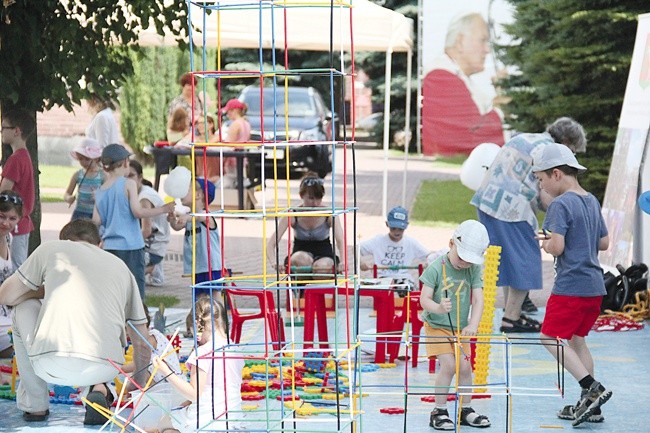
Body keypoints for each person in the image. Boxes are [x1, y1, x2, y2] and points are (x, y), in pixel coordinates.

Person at [0, 220, 152, 424]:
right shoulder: (121, 267)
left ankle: (35, 405)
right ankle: (99, 389)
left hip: (50, 362)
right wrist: (139, 382)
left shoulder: (52, 250)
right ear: (100, 245)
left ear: (63, 241)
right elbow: (142, 341)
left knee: (23, 308)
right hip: (105, 366)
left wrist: (42, 290)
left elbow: (6, 296)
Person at [470, 117, 587, 333]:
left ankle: (510, 313)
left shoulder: (526, 137)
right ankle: (511, 318)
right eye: (573, 150)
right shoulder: (549, 151)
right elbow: (545, 195)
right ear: (567, 140)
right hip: (510, 208)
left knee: (507, 259)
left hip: (487, 200)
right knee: (526, 258)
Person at [532, 143, 611, 427]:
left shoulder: (560, 204)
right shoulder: (590, 200)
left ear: (556, 174)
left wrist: (547, 243)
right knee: (577, 341)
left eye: (540, 179)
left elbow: (558, 247)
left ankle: (592, 388)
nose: (540, 186)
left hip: (570, 287)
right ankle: (591, 405)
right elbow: (603, 242)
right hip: (594, 288)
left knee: (550, 338)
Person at [419, 220, 491, 430]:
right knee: (449, 365)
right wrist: (439, 308)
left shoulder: (473, 269)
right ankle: (439, 411)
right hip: (436, 326)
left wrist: (473, 324)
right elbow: (424, 300)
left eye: (470, 261)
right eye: (462, 258)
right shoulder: (436, 267)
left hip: (460, 329)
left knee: (466, 366)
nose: (464, 264)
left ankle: (465, 409)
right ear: (451, 243)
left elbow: (478, 300)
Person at [93, 144, 175, 299]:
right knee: (135, 290)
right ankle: (139, 320)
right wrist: (163, 209)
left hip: (110, 247)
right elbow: (138, 212)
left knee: (115, 290)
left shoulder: (99, 191)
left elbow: (96, 220)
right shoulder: (128, 184)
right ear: (125, 162)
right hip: (132, 246)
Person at [152, 296, 244, 433]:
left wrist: (166, 371)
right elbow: (217, 388)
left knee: (164, 422)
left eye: (191, 331)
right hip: (233, 420)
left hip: (206, 421)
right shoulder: (234, 349)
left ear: (197, 326)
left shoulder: (202, 352)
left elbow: (194, 394)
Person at [422, 12, 505, 156]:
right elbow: (469, 138)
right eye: (482, 40)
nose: (487, 50)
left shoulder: (455, 75)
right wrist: (502, 105)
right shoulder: (441, 77)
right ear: (460, 41)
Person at [266, 172, 347, 276]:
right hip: (300, 253)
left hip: (324, 254)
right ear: (301, 195)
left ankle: (315, 291)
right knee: (301, 260)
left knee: (321, 267)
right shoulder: (292, 214)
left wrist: (343, 261)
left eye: (319, 198)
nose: (315, 203)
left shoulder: (329, 214)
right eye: (311, 198)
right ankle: (302, 290)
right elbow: (271, 243)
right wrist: (274, 262)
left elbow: (340, 240)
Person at [359, 206, 431, 295]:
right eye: (393, 228)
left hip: (403, 277)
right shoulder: (378, 241)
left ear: (406, 226)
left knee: (407, 289)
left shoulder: (410, 242)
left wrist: (428, 263)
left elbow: (430, 255)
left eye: (400, 229)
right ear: (387, 224)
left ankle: (405, 307)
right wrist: (361, 263)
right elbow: (356, 248)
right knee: (385, 290)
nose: (397, 232)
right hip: (383, 277)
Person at [0, 109, 35, 269]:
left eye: (4, 128)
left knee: (14, 268)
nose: (1, 132)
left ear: (16, 131)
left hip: (15, 223)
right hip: (21, 222)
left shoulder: (15, 160)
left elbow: (3, 193)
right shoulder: (24, 156)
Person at [128, 160, 171, 286]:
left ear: (140, 177)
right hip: (154, 243)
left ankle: (153, 267)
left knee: (129, 276)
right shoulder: (141, 191)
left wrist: (127, 243)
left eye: (131, 176)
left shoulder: (144, 198)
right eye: (125, 176)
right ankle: (153, 268)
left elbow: (146, 231)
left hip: (153, 247)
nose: (127, 180)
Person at [122, 302, 182, 384]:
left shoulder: (151, 338)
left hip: (170, 381)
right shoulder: (147, 337)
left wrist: (119, 369)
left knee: (140, 373)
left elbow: (139, 363)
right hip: (161, 378)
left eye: (126, 328)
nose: (126, 333)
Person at [0, 191, 23, 359]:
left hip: (5, 312)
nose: (6, 223)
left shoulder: (8, 238)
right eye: (1, 216)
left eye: (12, 218)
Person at [64, 138, 105, 221]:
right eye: (80, 159)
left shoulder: (102, 176)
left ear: (96, 158)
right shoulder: (77, 175)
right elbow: (67, 193)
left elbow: (108, 195)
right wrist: (69, 198)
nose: (83, 162)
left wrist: (99, 196)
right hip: (79, 212)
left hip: (95, 213)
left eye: (87, 159)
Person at [221, 99, 251, 189]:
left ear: (234, 111)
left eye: (228, 111)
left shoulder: (235, 124)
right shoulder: (246, 123)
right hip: (242, 159)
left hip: (233, 160)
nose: (227, 114)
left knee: (229, 183)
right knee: (241, 183)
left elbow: (229, 144)